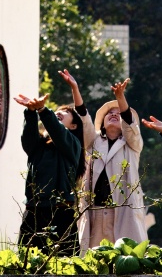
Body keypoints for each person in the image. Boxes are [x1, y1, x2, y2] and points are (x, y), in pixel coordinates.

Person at [59, 70, 147, 251]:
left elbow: (130, 124)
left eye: (118, 113)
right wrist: (75, 88)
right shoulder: (93, 141)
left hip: (124, 212)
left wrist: (120, 97)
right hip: (95, 213)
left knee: (125, 262)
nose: (114, 115)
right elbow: (84, 118)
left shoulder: (132, 144)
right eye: (109, 113)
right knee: (93, 265)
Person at [14, 88, 85, 253]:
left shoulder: (73, 144)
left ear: (74, 126)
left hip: (62, 211)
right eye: (57, 112)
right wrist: (31, 113)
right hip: (34, 210)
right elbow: (28, 138)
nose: (58, 113)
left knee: (66, 262)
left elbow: (59, 133)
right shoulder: (38, 146)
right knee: (27, 260)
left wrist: (44, 111)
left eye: (64, 113)